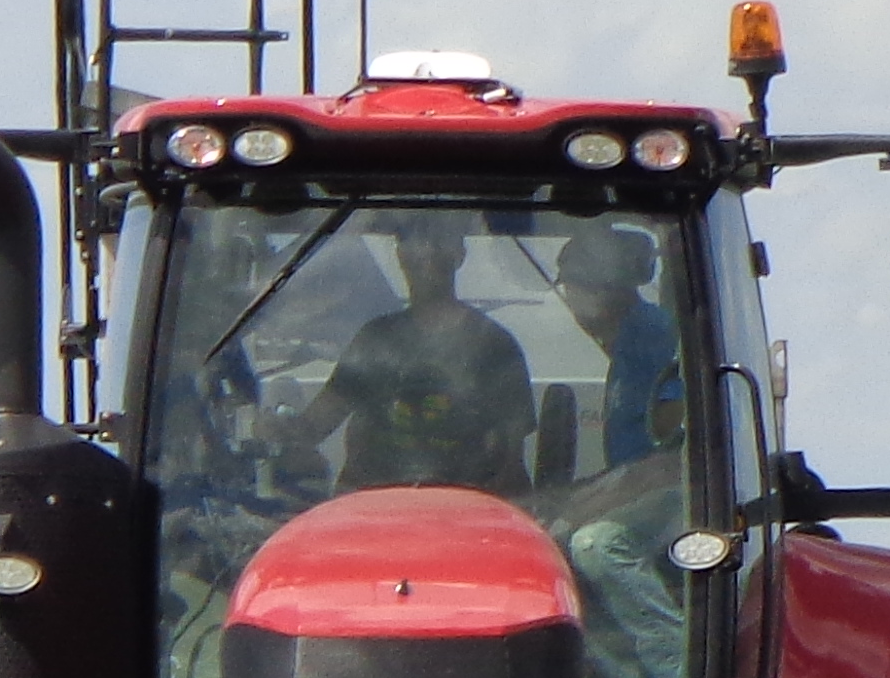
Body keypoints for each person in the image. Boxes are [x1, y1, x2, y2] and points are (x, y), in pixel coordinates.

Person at [284, 213, 536, 496]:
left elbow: (511, 464)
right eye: (413, 240)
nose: (426, 250)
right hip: (371, 509)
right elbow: (318, 423)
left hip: (461, 510)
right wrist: (280, 430)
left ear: (459, 253)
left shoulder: (495, 346)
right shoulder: (374, 339)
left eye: (439, 241)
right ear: (399, 254)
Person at [556, 223, 685, 471]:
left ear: (603, 287)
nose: (570, 299)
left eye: (573, 286)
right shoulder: (624, 339)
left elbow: (675, 429)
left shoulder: (653, 333)